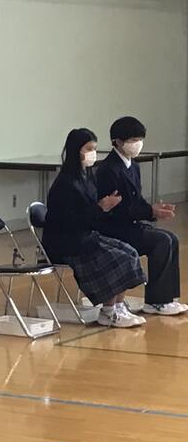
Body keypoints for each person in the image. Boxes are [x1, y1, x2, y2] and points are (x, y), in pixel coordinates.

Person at [43, 128, 147, 328]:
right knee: (118, 259)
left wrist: (105, 207)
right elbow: (69, 221)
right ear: (76, 151)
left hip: (86, 235)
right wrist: (100, 208)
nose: (92, 153)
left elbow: (91, 214)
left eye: (94, 149)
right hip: (66, 242)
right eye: (88, 149)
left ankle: (118, 307)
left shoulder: (87, 177)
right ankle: (108, 311)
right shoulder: (65, 183)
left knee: (129, 252)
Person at [95, 116, 187, 316]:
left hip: (131, 224)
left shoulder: (133, 166)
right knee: (161, 241)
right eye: (133, 140)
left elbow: (137, 201)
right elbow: (118, 208)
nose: (138, 144)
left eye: (140, 139)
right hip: (114, 229)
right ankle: (157, 301)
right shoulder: (108, 169)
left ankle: (166, 298)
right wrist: (149, 212)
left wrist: (153, 210)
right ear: (118, 141)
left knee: (171, 238)